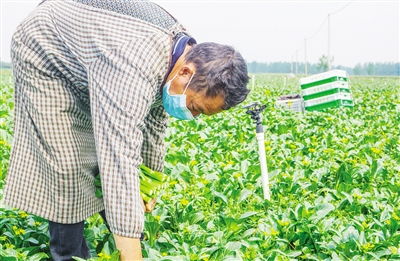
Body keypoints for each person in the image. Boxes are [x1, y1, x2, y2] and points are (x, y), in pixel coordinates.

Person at [2, 0, 250, 260]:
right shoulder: (133, 63)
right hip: (46, 51)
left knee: (114, 169)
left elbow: (154, 120)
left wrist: (148, 183)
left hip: (94, 53)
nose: (192, 114)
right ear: (186, 72)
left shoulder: (181, 54)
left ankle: (123, 232)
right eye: (194, 107)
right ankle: (70, 253)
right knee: (68, 161)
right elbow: (118, 157)